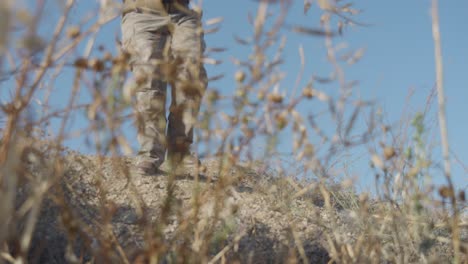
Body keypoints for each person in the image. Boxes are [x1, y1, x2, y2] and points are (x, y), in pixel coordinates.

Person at [121, 0, 207, 175]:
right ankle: (149, 153)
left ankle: (180, 152)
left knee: (191, 76)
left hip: (182, 13)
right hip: (143, 12)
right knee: (149, 81)